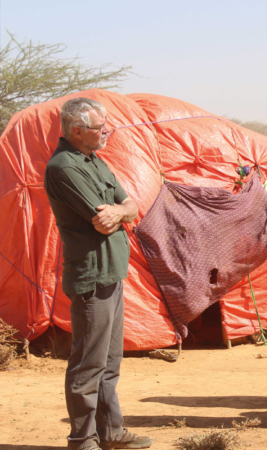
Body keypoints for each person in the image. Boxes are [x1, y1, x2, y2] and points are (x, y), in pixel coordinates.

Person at [45, 98, 153, 450]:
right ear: (77, 132)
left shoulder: (96, 161)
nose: (107, 132)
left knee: (109, 360)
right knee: (88, 364)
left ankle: (110, 432)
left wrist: (121, 211)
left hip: (111, 272)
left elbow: (130, 205)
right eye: (99, 128)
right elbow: (102, 221)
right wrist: (121, 213)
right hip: (91, 276)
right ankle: (82, 439)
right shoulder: (64, 167)